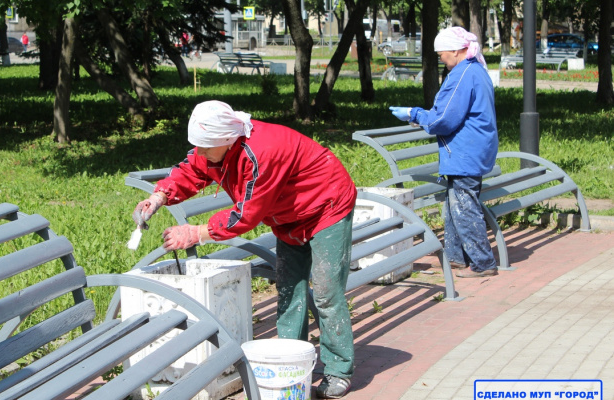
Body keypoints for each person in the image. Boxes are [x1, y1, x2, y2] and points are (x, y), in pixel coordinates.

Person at [132, 100, 357, 398]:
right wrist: (158, 197)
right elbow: (191, 170)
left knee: (327, 292)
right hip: (288, 216)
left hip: (327, 206)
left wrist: (196, 233)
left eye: (204, 146)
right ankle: (290, 361)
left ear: (227, 141)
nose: (199, 152)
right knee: (290, 290)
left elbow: (246, 214)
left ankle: (338, 369)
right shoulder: (216, 146)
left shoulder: (262, 152)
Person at [389, 26, 499, 279]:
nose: (440, 58)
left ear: (456, 50)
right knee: (454, 205)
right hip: (473, 149)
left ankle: (483, 264)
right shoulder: (476, 70)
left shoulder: (462, 75)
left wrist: (414, 114)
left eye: (442, 53)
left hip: (464, 152)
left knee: (463, 207)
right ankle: (456, 258)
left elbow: (444, 119)